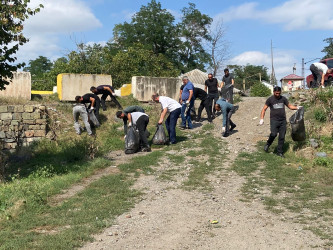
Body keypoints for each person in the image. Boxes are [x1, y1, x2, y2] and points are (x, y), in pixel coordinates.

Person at [259, 86, 300, 157]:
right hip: (274, 120)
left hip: (283, 121)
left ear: (280, 92)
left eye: (279, 93)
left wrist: (297, 107)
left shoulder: (283, 99)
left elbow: (290, 106)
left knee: (282, 137)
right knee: (273, 134)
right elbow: (264, 109)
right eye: (276, 93)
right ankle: (268, 144)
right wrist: (261, 119)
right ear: (274, 92)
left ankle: (279, 152)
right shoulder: (270, 99)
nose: (278, 95)